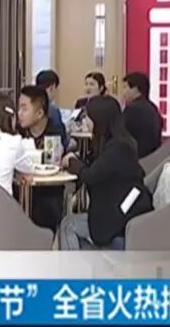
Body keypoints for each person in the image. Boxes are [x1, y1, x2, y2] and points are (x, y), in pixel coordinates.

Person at [59, 95, 153, 250]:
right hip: (117, 212)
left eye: (87, 118)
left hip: (117, 219)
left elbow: (90, 175)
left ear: (99, 120)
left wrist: (71, 162)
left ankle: (73, 265)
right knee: (69, 224)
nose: (84, 122)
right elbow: (95, 167)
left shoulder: (117, 149)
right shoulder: (118, 143)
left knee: (67, 225)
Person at [16, 85, 67, 230]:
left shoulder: (55, 130)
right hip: (21, 187)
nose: (19, 113)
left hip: (48, 189)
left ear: (39, 113)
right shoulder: (17, 132)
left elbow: (55, 161)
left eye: (24, 109)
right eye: (19, 108)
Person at [122, 72, 163, 158]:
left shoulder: (133, 109)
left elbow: (121, 133)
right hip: (153, 156)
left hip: (138, 157)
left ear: (135, 89)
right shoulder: (152, 107)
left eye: (125, 87)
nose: (123, 92)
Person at [34, 70, 69, 150]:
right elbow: (62, 140)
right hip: (50, 149)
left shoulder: (31, 107)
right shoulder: (53, 111)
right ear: (52, 87)